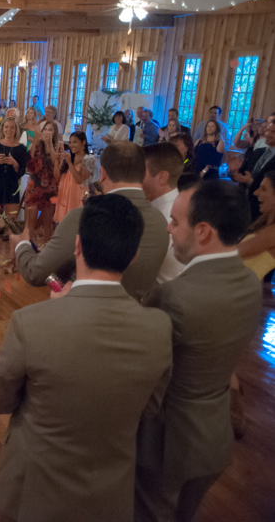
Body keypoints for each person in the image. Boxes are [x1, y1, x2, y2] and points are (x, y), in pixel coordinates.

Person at [0, 194, 172, 522]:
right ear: (134, 256)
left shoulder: (32, 323)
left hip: (34, 488)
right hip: (110, 493)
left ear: (77, 247)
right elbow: (151, 407)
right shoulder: (158, 328)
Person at [135, 182, 261, 522]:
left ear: (203, 231)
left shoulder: (176, 296)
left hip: (168, 443)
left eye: (175, 222)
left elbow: (144, 371)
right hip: (213, 439)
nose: (168, 229)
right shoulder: (250, 283)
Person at [13, 141, 169, 300]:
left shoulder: (82, 217)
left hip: (80, 315)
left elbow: (36, 273)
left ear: (102, 173)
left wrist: (22, 244)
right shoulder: (161, 222)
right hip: (135, 317)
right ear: (143, 174)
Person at [0, 117, 29, 271]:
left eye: (12, 128)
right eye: (7, 127)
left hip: (11, 186)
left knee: (11, 223)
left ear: (16, 130)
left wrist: (15, 164)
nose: (9, 130)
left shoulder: (21, 148)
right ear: (2, 128)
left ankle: (12, 258)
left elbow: (22, 171)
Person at [142, 142, 186, 284]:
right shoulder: (166, 206)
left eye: (141, 172)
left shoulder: (167, 217)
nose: (135, 178)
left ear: (162, 177)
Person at [23, 121, 61, 248]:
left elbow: (57, 167)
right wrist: (35, 141)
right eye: (46, 129)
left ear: (54, 132)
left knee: (48, 223)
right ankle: (28, 249)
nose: (48, 132)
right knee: (30, 222)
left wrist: (49, 144)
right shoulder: (36, 145)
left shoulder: (57, 147)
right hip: (34, 187)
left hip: (50, 188)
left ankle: (46, 251)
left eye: (51, 130)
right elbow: (30, 162)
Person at [234, 119, 275, 219]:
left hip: (265, 211)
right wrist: (234, 171)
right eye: (267, 131)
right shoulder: (258, 152)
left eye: (273, 132)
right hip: (246, 203)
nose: (267, 134)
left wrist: (252, 182)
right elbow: (243, 174)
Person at [238, 170, 275, 280]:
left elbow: (233, 254)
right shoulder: (264, 224)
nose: (256, 192)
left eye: (263, 189)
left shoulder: (273, 233)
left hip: (239, 291)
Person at [54, 131, 96, 223]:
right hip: (64, 195)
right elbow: (57, 177)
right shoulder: (69, 157)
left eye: (75, 142)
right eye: (70, 142)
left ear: (83, 142)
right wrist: (57, 160)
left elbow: (79, 179)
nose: (71, 145)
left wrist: (69, 163)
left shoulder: (89, 159)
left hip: (77, 197)